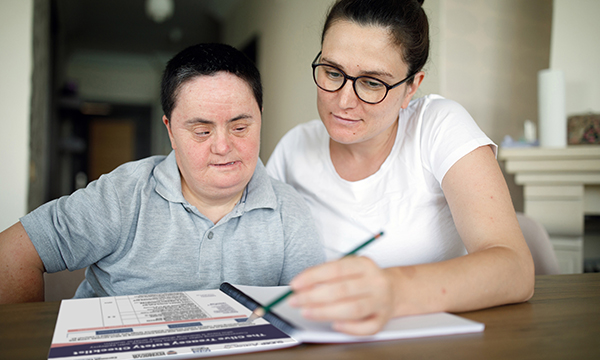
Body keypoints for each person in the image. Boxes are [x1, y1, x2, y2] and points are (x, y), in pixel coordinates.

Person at [266, 0, 534, 336]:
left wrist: (393, 291)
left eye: (372, 83)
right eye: (332, 72)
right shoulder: (295, 148)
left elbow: (516, 269)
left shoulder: (436, 126)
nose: (344, 100)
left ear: (412, 86)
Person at [0, 43, 324, 304]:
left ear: (260, 118)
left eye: (240, 127)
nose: (224, 147)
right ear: (170, 130)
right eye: (201, 131)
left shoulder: (289, 210)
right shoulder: (124, 195)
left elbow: (309, 311)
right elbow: (11, 254)